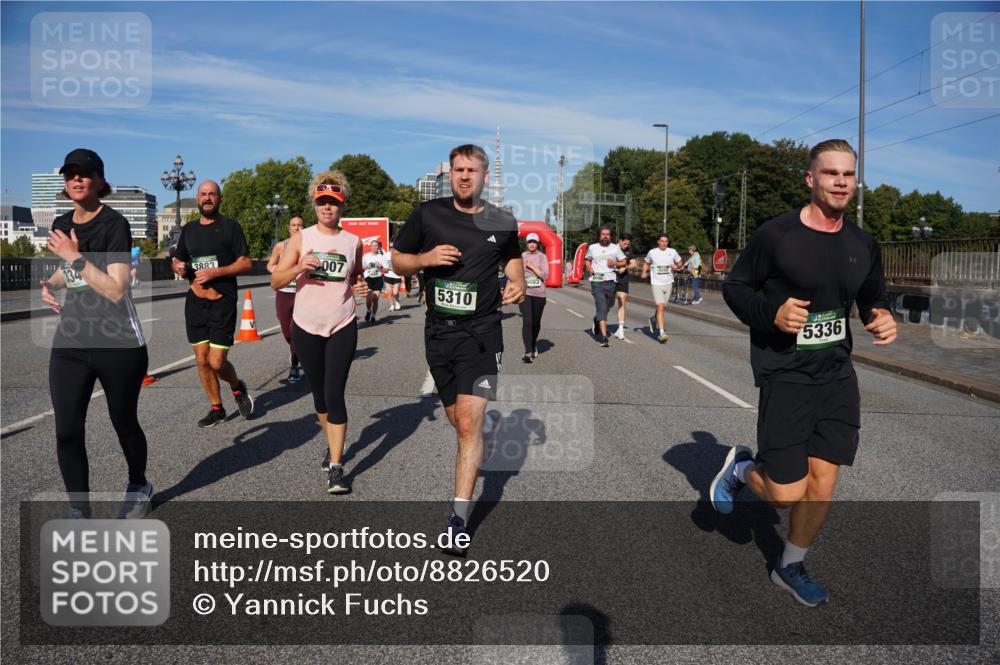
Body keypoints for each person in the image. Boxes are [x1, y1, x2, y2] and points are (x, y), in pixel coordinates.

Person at [712, 139, 897, 607]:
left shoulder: (862, 243)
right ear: (810, 179)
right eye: (830, 173)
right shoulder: (777, 235)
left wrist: (882, 315)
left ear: (855, 181)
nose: (840, 181)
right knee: (783, 494)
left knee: (824, 482)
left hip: (836, 374)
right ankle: (742, 468)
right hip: (785, 371)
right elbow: (736, 288)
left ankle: (789, 565)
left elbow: (873, 296)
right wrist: (771, 313)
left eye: (848, 174)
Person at [392, 144, 524, 554]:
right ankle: (469, 464)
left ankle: (458, 519)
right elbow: (397, 260)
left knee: (469, 425)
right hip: (439, 334)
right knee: (456, 418)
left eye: (472, 170)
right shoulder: (428, 215)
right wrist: (426, 258)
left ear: (485, 176)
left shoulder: (502, 221)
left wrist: (517, 281)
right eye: (458, 170)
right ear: (450, 174)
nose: (464, 176)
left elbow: (511, 257)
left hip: (484, 335)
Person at [39, 148, 152, 519]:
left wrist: (73, 257)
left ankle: (139, 483)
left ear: (100, 181)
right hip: (71, 341)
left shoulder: (114, 224)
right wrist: (51, 283)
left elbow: (117, 288)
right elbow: (69, 272)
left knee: (123, 421)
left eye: (84, 173)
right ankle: (78, 510)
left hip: (118, 343)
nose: (76, 179)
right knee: (67, 429)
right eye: (70, 173)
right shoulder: (60, 220)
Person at [270, 172, 368, 494]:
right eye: (322, 202)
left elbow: (356, 276)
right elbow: (276, 281)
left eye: (333, 203)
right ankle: (332, 443)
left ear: (341, 206)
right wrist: (299, 267)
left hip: (342, 323)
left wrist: (361, 286)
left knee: (335, 392)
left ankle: (337, 467)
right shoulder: (301, 239)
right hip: (306, 325)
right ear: (315, 204)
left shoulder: (353, 242)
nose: (328, 208)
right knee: (320, 395)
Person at [171, 180, 255, 428]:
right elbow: (177, 259)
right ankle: (216, 407)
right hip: (195, 302)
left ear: (220, 199)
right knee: (201, 359)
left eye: (212, 195)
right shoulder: (189, 230)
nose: (207, 198)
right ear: (197, 198)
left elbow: (246, 263)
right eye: (203, 194)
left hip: (222, 302)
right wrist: (176, 265)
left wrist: (216, 273)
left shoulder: (230, 227)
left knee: (216, 362)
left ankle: (237, 388)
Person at [267, 215, 305, 382]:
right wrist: (276, 270)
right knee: (286, 331)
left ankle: (294, 365)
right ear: (289, 228)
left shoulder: (309, 246)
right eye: (293, 225)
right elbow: (270, 264)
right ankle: (296, 351)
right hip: (284, 292)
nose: (296, 228)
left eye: (300, 225)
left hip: (302, 293)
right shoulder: (280, 246)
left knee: (296, 331)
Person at [584, 226, 626, 347]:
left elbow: (624, 261)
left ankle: (597, 319)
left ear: (610, 236)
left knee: (609, 305)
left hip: (611, 281)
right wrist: (589, 268)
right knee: (602, 306)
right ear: (599, 236)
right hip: (597, 280)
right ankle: (603, 337)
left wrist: (614, 263)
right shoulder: (592, 248)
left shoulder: (615, 248)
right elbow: (587, 259)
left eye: (607, 234)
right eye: (603, 234)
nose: (605, 236)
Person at [640, 234, 683, 342]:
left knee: (663, 307)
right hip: (656, 283)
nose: (664, 243)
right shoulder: (652, 252)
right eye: (662, 241)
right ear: (658, 242)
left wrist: (676, 266)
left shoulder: (672, 252)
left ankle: (653, 319)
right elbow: (646, 262)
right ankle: (662, 332)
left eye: (666, 241)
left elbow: (680, 263)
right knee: (660, 307)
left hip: (668, 283)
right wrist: (643, 272)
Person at [519, 232, 549, 362]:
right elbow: (516, 274)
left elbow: (545, 276)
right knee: (527, 321)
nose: (532, 244)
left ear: (537, 244)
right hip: (526, 293)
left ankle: (533, 343)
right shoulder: (521, 256)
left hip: (539, 294)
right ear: (526, 243)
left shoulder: (542, 257)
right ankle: (528, 352)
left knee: (535, 323)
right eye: (530, 242)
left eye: (534, 242)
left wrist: (531, 266)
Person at [612, 233, 636, 340]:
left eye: (628, 244)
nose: (626, 246)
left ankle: (620, 328)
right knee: (609, 303)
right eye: (625, 243)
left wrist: (625, 267)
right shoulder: (611, 249)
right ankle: (598, 319)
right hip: (611, 278)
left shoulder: (629, 251)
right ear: (620, 240)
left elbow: (634, 264)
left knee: (622, 299)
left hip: (623, 278)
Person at [361, 240, 386, 322]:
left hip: (378, 279)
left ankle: (373, 316)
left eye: (376, 246)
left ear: (378, 247)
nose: (374, 247)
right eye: (373, 246)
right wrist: (366, 266)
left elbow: (386, 270)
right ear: (370, 247)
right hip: (368, 278)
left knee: (375, 299)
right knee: (368, 299)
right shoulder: (366, 256)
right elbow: (361, 267)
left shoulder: (381, 257)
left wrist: (381, 267)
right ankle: (368, 311)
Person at [383, 241, 403, 311]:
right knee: (389, 292)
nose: (392, 248)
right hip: (388, 275)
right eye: (390, 247)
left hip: (397, 276)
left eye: (393, 247)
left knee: (395, 292)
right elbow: (384, 266)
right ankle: (392, 305)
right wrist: (383, 269)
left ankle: (397, 301)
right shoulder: (386, 255)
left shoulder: (399, 254)